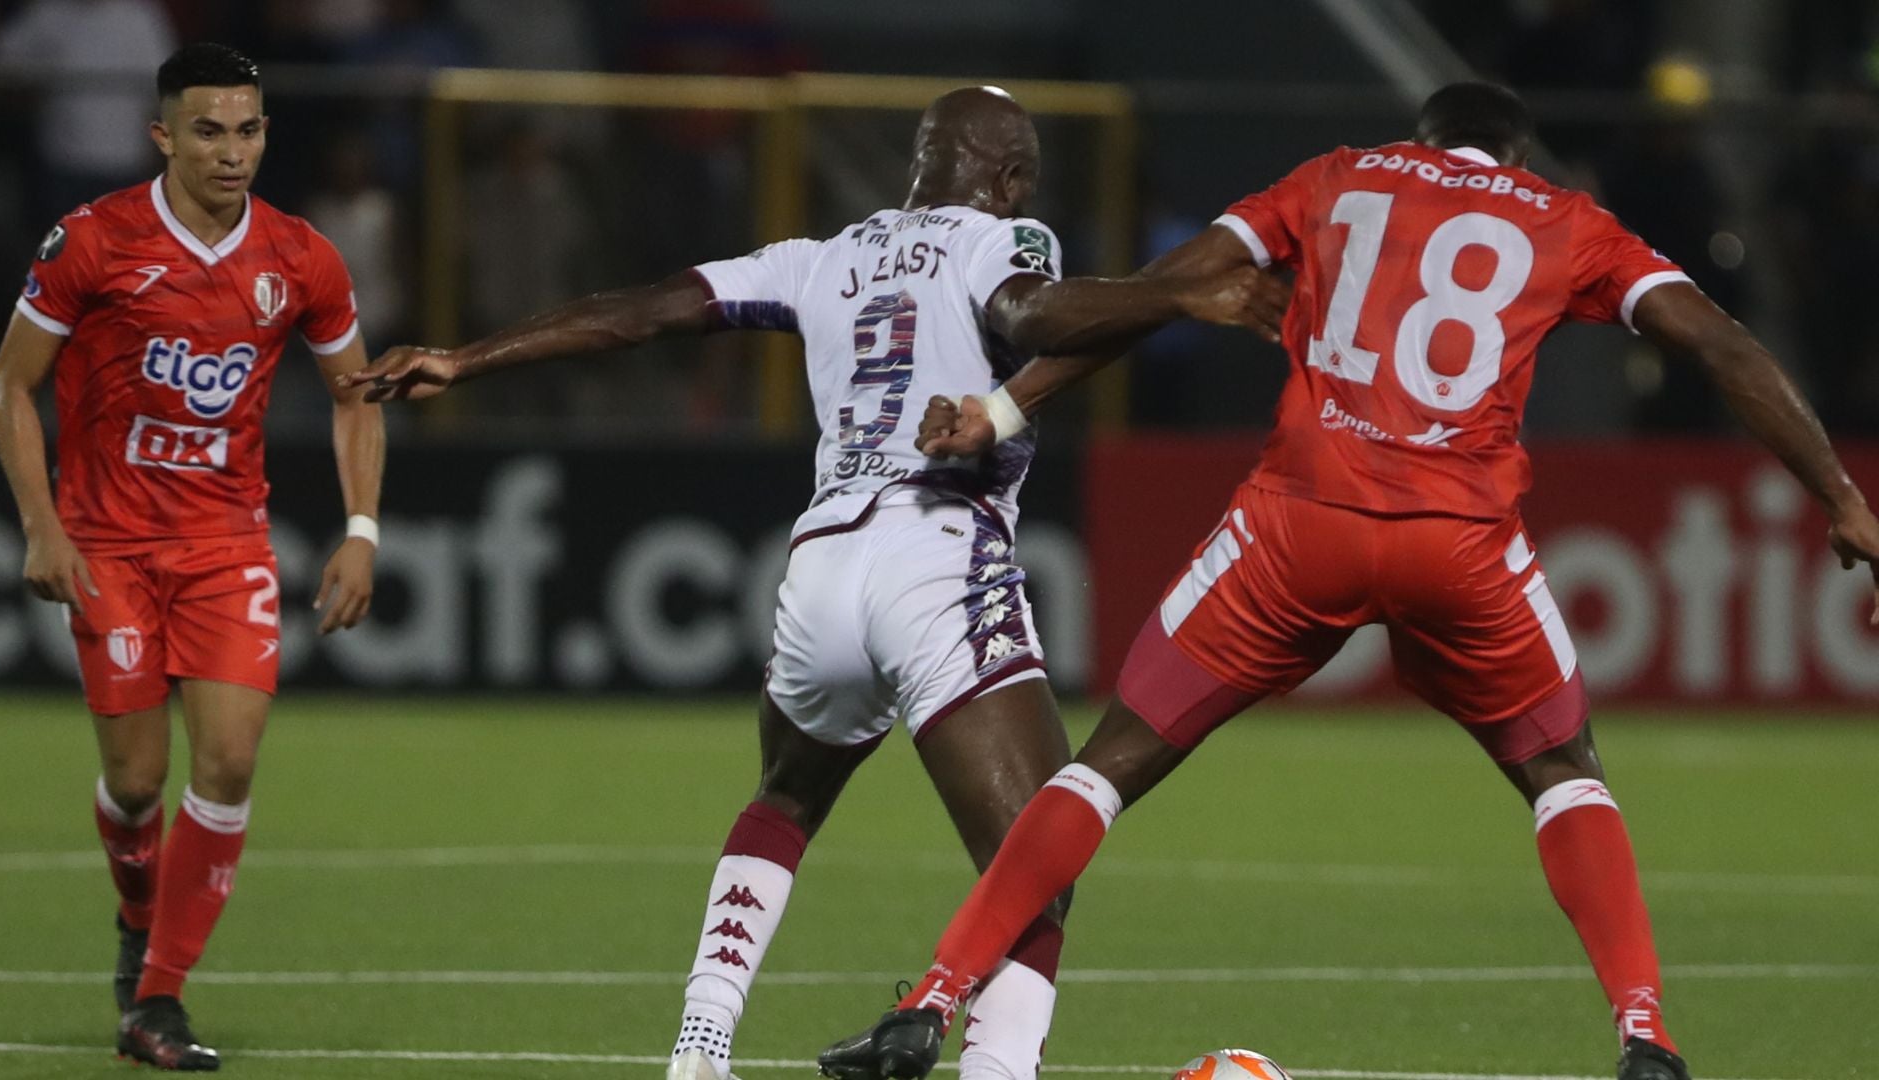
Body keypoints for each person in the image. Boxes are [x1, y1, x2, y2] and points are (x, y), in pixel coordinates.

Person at [818, 82, 1879, 1080]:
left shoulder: (1338, 176)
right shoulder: (1565, 216)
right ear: (1511, 155)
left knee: (1107, 766)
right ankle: (1645, 1030)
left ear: (1420, 140)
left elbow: (1169, 289)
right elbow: (1725, 349)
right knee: (1565, 771)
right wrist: (1840, 496)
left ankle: (932, 1003)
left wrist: (1006, 408)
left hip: (1299, 525)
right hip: (1458, 541)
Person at [343, 85, 1283, 1080]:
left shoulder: (817, 259)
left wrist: (466, 357)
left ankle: (700, 1046)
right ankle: (998, 1074)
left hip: (823, 562)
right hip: (937, 552)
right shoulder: (1000, 240)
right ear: (1008, 179)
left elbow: (640, 313)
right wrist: (1176, 294)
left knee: (785, 798)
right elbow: (1033, 314)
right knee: (1033, 869)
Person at [0, 43, 384, 1071]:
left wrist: (360, 528)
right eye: (209, 130)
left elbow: (356, 394)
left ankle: (157, 999)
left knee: (233, 759)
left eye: (248, 129)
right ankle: (135, 910)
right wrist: (42, 523)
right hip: (109, 544)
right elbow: (7, 387)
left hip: (224, 544)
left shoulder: (300, 257)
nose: (232, 151)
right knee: (134, 783)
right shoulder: (95, 240)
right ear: (164, 135)